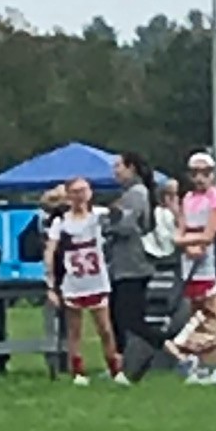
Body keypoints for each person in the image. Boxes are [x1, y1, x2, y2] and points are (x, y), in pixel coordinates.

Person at [45, 176, 123, 384]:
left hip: (97, 280)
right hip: (73, 282)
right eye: (76, 191)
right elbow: (50, 251)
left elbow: (119, 215)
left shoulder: (98, 216)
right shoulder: (61, 222)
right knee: (75, 330)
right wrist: (50, 284)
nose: (81, 196)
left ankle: (115, 369)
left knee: (105, 329)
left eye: (84, 190)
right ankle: (78, 371)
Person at [178, 151, 216, 384]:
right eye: (195, 173)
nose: (200, 178)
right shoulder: (187, 198)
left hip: (210, 261)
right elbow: (180, 230)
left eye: (205, 173)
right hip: (190, 261)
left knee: (212, 314)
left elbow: (211, 233)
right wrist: (187, 245)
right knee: (195, 315)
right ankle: (200, 362)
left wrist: (189, 243)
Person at [106, 151, 159, 355]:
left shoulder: (136, 193)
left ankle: (170, 346)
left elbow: (127, 226)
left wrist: (108, 222)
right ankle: (120, 360)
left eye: (118, 166)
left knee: (129, 318)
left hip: (132, 266)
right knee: (117, 317)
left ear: (131, 168)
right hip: (122, 267)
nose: (115, 171)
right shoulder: (128, 194)